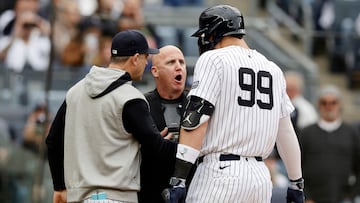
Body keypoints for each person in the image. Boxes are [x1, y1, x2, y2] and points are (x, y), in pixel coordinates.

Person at [162, 5, 305, 203]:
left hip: (219, 174)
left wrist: (179, 178)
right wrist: (296, 182)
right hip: (260, 178)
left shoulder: (213, 59)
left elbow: (196, 118)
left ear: (214, 33)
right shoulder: (273, 69)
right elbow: (286, 133)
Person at [45, 29, 177, 203]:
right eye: (146, 57)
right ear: (135, 58)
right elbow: (157, 149)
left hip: (78, 197)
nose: (146, 63)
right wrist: (188, 146)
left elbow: (53, 141)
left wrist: (59, 187)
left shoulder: (74, 92)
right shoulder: (130, 97)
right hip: (116, 197)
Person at [139, 45, 188, 203]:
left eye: (182, 62)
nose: (178, 67)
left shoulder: (197, 104)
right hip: (151, 192)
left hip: (191, 192)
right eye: (171, 62)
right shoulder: (140, 104)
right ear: (155, 71)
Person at [299, 84, 360, 203]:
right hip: (312, 198)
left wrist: (351, 196)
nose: (329, 106)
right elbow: (297, 167)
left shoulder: (351, 133)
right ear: (318, 105)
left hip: (343, 198)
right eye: (324, 102)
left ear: (339, 104)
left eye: (333, 102)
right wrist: (306, 195)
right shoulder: (306, 133)